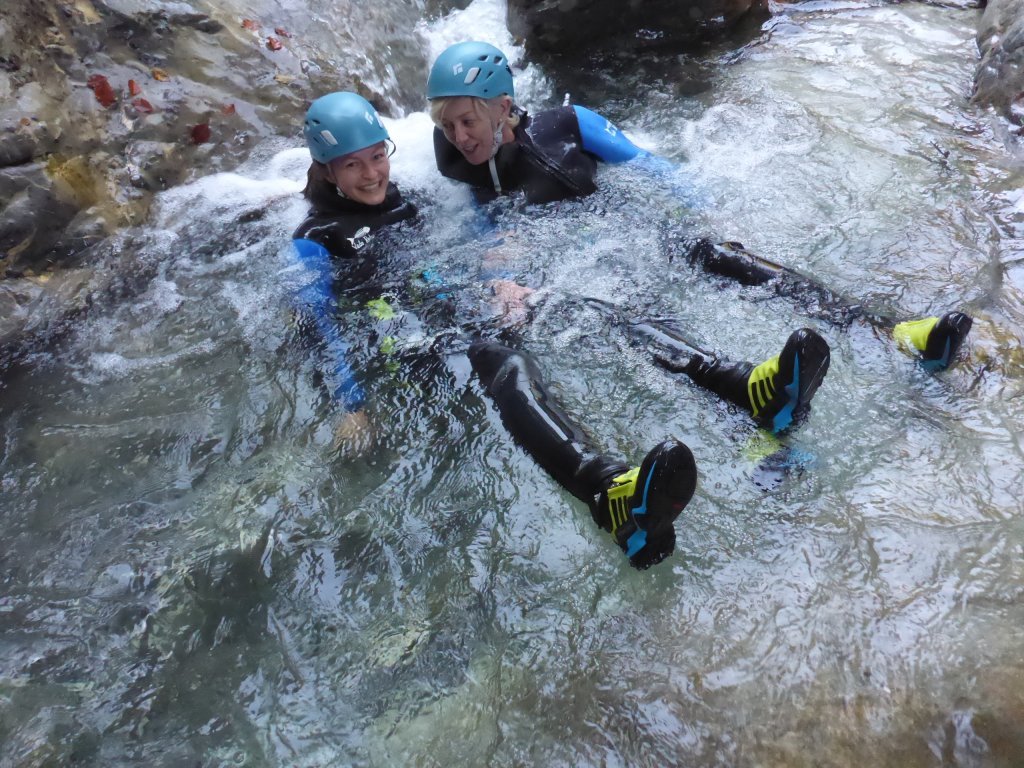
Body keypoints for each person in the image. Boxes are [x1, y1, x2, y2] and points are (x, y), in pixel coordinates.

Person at [290, 91, 698, 570]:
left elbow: (466, 245)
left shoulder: (412, 200)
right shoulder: (316, 239)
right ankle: (604, 487)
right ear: (326, 169)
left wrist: (499, 279)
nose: (372, 174)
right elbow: (317, 326)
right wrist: (351, 404)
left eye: (378, 157)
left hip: (450, 308)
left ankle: (641, 504)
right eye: (352, 166)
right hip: (401, 338)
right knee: (510, 366)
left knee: (576, 317)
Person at [425, 41, 972, 374]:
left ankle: (891, 330)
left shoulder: (566, 125)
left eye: (467, 121)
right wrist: (506, 276)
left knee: (721, 257)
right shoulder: (459, 161)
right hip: (585, 261)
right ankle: (755, 413)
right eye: (447, 126)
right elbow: (487, 225)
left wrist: (713, 207)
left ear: (501, 107)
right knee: (656, 329)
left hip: (625, 225)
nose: (459, 136)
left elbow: (650, 166)